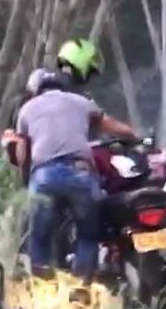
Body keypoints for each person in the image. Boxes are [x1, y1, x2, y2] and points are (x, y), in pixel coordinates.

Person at [14, 68, 137, 293]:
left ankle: (43, 290)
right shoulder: (80, 102)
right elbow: (112, 126)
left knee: (40, 236)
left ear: (36, 89)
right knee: (88, 234)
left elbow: (22, 152)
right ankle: (81, 289)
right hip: (80, 174)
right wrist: (134, 134)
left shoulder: (27, 109)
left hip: (44, 177)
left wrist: (26, 179)